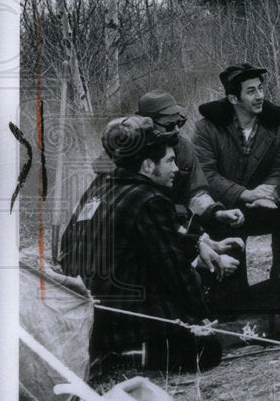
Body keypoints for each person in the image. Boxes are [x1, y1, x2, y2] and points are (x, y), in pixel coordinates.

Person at [58, 116, 241, 371]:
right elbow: (175, 274)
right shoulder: (149, 199)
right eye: (169, 161)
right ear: (146, 165)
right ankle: (121, 359)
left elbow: (73, 248)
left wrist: (196, 244)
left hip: (86, 324)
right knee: (207, 351)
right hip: (125, 328)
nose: (176, 169)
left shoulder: (100, 189)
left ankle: (110, 353)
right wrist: (200, 320)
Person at [193, 63, 280, 309]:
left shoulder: (278, 124)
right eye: (251, 91)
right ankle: (233, 297)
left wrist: (270, 192)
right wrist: (244, 194)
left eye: (261, 89)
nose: (260, 95)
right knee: (233, 296)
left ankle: (279, 278)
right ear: (233, 98)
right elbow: (206, 173)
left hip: (265, 202)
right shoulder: (207, 127)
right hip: (227, 206)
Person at [81, 90, 245, 231]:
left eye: (179, 123)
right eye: (169, 125)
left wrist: (217, 212)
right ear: (147, 123)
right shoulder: (125, 149)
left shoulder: (184, 148)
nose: (176, 130)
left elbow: (196, 192)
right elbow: (99, 197)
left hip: (173, 222)